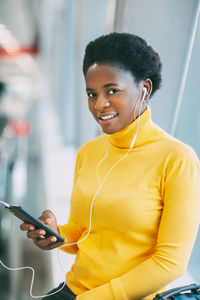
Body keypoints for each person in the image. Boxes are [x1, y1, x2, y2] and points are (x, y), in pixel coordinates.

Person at [21, 32, 200, 300]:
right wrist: (57, 234)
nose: (99, 105)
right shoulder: (89, 152)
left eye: (112, 90)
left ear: (144, 89)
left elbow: (170, 263)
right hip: (75, 290)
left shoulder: (177, 159)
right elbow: (84, 231)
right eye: (91, 94)